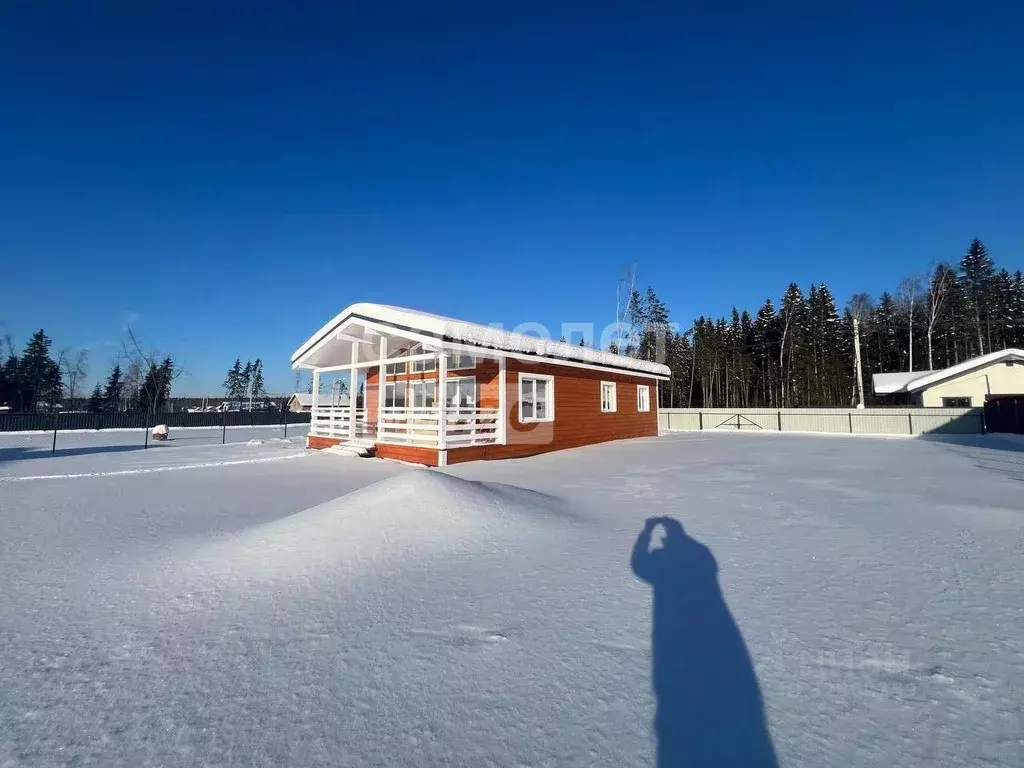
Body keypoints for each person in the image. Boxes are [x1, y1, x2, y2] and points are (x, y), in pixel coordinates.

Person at [632, 516, 777, 768]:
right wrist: (679, 536)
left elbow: (638, 564)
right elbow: (701, 556)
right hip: (714, 643)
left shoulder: (662, 564)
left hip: (675, 644)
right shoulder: (702, 560)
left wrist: (646, 532)